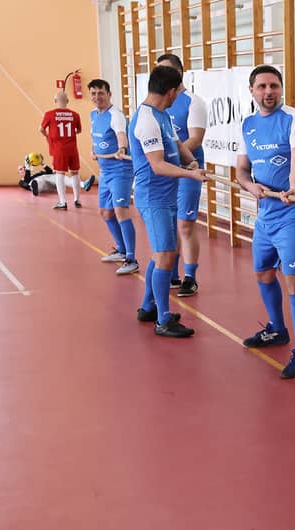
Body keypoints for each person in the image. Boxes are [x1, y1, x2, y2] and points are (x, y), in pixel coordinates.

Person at [235, 65, 295, 379]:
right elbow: (242, 170)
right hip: (266, 212)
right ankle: (277, 329)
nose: (268, 91)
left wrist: (294, 187)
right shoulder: (247, 124)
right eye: (262, 86)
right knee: (263, 272)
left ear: (281, 88)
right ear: (252, 91)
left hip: (293, 211)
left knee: (293, 279)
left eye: (274, 86)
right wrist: (249, 186)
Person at [130, 65, 207, 338]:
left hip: (167, 195)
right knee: (164, 255)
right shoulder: (147, 120)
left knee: (165, 252)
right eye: (178, 92)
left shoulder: (161, 115)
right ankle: (163, 318)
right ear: (172, 92)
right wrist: (190, 174)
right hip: (154, 198)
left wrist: (191, 160)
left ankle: (148, 306)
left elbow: (177, 144)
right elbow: (158, 165)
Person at [155, 54, 207, 297]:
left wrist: (173, 159)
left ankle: (190, 277)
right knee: (169, 222)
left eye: (164, 71)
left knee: (185, 224)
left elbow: (195, 138)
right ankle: (172, 273)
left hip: (188, 169)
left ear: (178, 74)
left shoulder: (193, 102)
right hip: (166, 169)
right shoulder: (158, 104)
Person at [88, 78, 139, 275]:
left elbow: (120, 135)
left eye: (101, 93)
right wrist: (93, 150)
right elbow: (96, 137)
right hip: (105, 171)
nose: (97, 97)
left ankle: (132, 259)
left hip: (120, 170)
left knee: (120, 211)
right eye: (93, 93)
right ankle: (121, 249)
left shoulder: (115, 115)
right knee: (105, 213)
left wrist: (122, 148)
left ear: (109, 94)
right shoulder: (93, 115)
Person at [39, 92, 83, 210]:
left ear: (55, 101)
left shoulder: (50, 114)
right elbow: (79, 130)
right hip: (72, 148)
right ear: (67, 101)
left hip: (59, 149)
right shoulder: (75, 115)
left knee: (60, 173)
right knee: (75, 173)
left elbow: (41, 129)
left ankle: (63, 202)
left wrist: (48, 135)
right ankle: (77, 200)